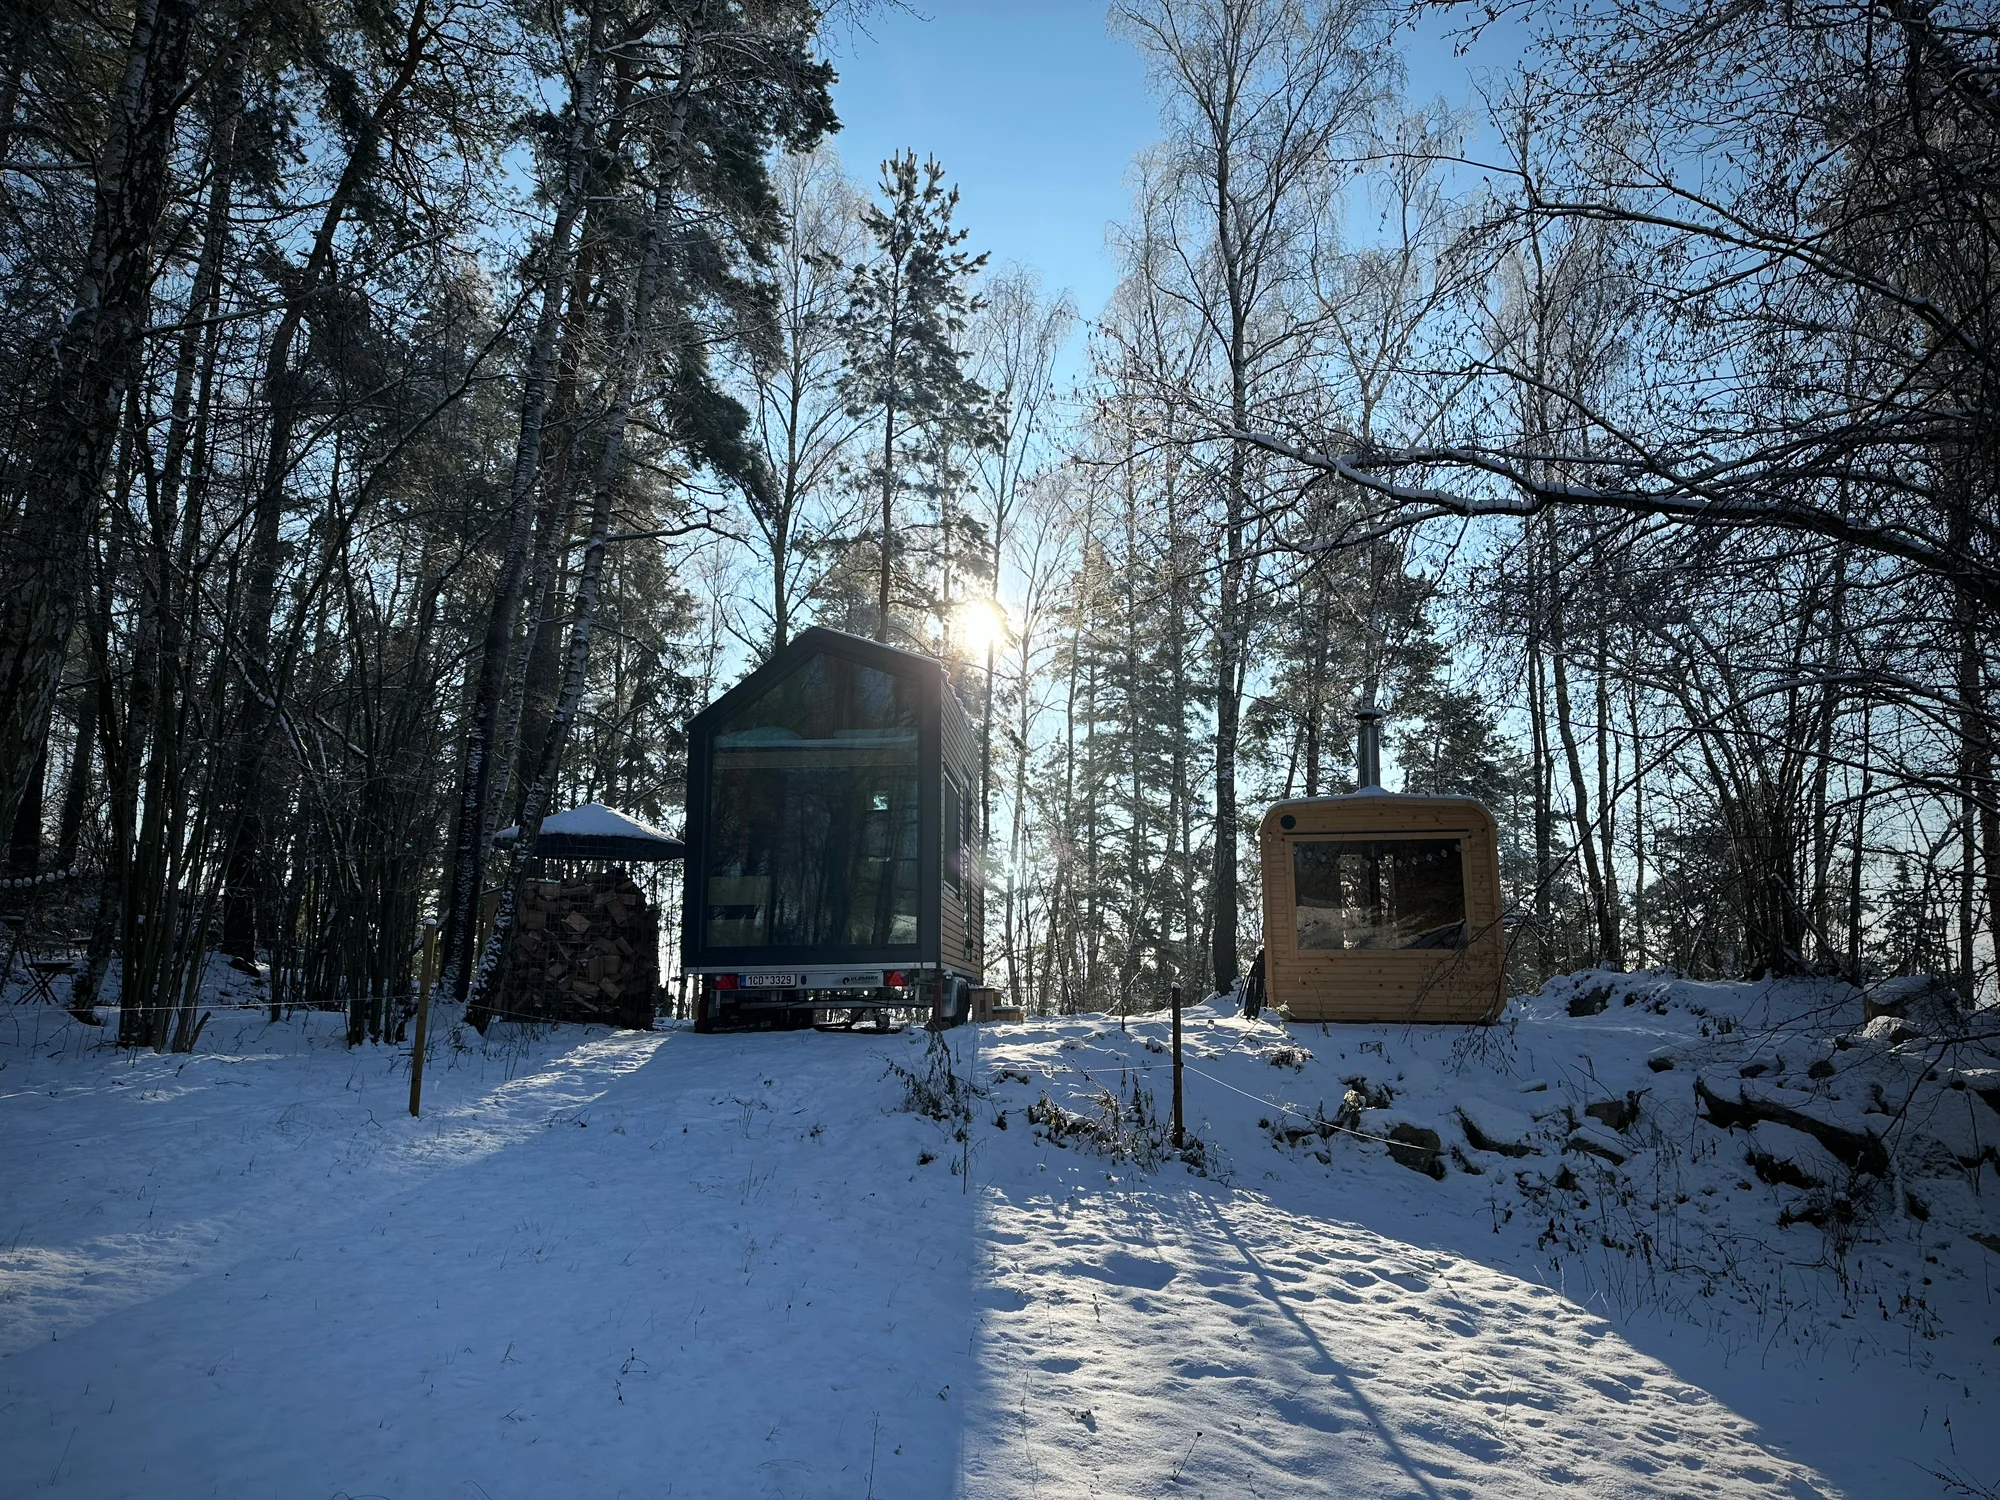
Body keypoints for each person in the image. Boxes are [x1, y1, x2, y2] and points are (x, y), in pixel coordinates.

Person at [1242, 945, 1266, 1020]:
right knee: (1256, 993)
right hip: (1258, 976)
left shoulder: (1261, 954)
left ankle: (1251, 1012)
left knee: (1255, 993)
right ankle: (1252, 1012)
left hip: (1258, 976)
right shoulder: (1261, 953)